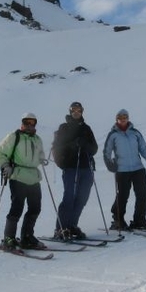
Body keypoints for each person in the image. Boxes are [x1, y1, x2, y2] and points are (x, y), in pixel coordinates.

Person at [0, 112, 48, 250]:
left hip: (34, 177)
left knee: (35, 208)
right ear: (22, 123)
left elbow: (40, 153)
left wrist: (41, 159)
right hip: (18, 176)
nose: (30, 125)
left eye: (32, 122)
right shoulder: (14, 137)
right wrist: (5, 166)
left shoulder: (37, 139)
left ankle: (27, 237)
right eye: (27, 122)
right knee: (17, 208)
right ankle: (9, 238)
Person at [103, 109, 146, 231]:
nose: (123, 119)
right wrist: (109, 164)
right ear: (117, 119)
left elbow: (143, 148)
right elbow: (106, 152)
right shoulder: (113, 135)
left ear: (128, 118)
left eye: (125, 117)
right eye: (120, 117)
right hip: (122, 170)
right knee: (123, 195)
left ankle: (139, 220)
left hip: (138, 169)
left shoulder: (135, 133)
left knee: (143, 195)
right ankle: (118, 220)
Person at [52, 101, 98, 240]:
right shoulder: (64, 128)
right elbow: (58, 147)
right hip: (71, 167)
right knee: (69, 198)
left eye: (79, 110)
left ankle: (72, 225)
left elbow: (94, 148)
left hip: (86, 167)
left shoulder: (86, 128)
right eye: (74, 110)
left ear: (82, 111)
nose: (76, 113)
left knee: (82, 198)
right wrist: (72, 146)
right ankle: (60, 228)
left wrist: (86, 145)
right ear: (70, 111)